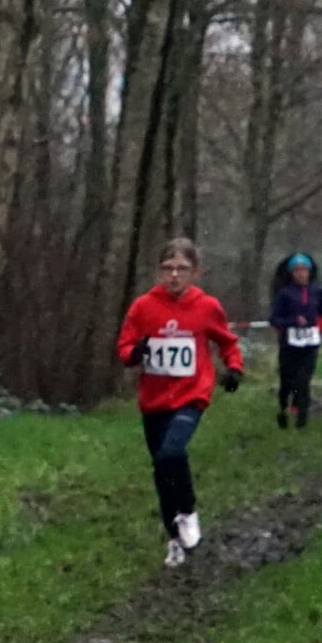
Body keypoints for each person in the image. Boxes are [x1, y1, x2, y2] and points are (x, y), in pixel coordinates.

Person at [115, 237, 244, 567]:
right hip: (154, 400)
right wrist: (136, 353)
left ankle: (187, 510)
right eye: (168, 268)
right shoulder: (143, 307)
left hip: (191, 395)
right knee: (161, 469)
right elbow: (125, 348)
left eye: (182, 269)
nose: (174, 275)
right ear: (159, 271)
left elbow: (226, 341)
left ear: (195, 273)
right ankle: (173, 538)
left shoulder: (206, 306)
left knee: (172, 452)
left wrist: (234, 368)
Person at [268, 252, 322, 430]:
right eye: (297, 270)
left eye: (304, 270)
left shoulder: (317, 291)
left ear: (310, 272)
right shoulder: (284, 293)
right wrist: (293, 321)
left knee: (304, 380)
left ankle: (302, 419)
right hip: (289, 343)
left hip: (310, 343)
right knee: (287, 380)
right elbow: (274, 319)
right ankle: (283, 406)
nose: (301, 274)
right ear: (291, 273)